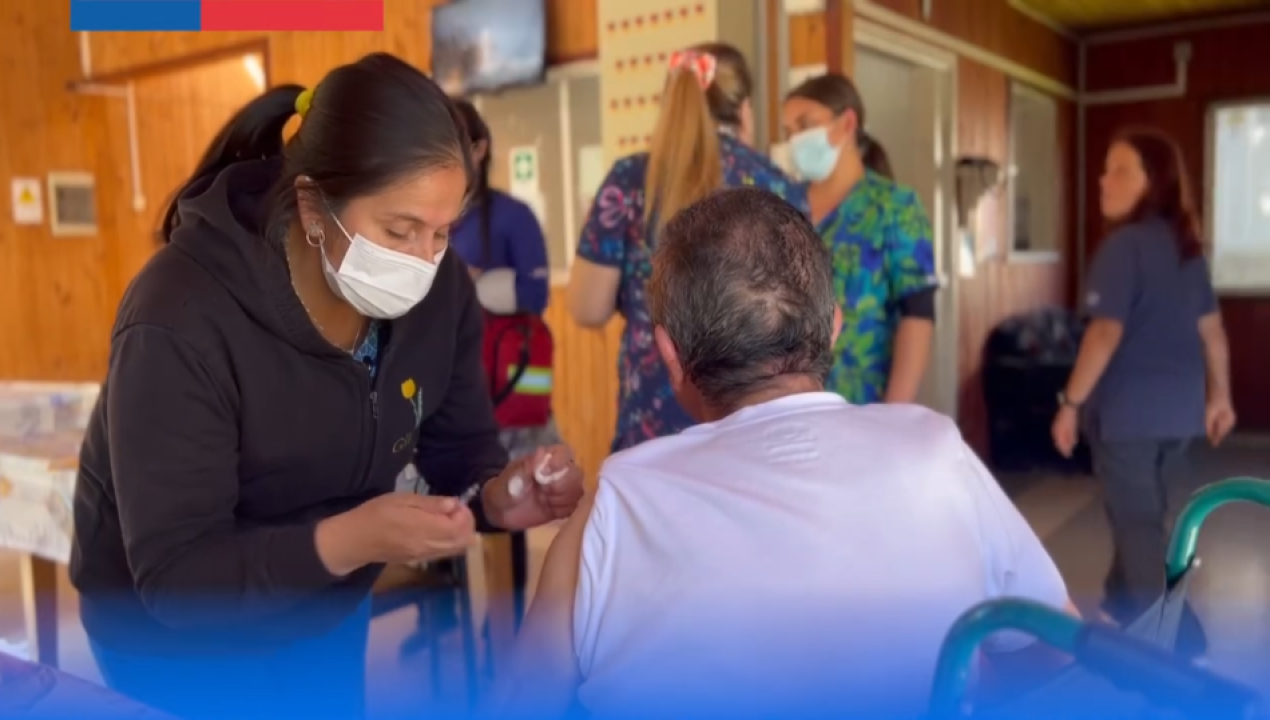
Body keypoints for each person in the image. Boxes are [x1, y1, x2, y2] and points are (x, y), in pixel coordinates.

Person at [69, 53, 584, 720]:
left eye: (443, 232)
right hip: (173, 642)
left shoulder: (442, 293)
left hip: (323, 605)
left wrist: (495, 495)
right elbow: (177, 577)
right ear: (313, 206)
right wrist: (352, 539)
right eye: (399, 230)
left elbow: (458, 449)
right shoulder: (180, 314)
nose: (424, 261)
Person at [487, 188, 1074, 719]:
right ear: (835, 328)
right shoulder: (936, 452)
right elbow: (1057, 651)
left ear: (670, 356)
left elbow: (521, 701)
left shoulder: (615, 504)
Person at [567, 42, 807, 452]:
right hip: (755, 421)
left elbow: (587, 307)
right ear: (744, 109)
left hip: (653, 422)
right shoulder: (777, 185)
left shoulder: (630, 180)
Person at [1052, 128, 1235, 655]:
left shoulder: (1122, 247)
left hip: (1128, 418)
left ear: (1153, 182)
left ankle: (1178, 645)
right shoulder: (1185, 249)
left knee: (1137, 526)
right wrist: (1220, 397)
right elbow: (1212, 331)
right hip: (1179, 416)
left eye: (1119, 171)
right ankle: (1118, 607)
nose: (1103, 180)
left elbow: (1103, 334)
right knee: (1148, 519)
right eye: (1104, 169)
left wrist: (1069, 404)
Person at [782, 73, 937, 405]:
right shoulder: (782, 206)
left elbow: (918, 313)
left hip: (866, 401)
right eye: (789, 132)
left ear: (847, 123)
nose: (795, 140)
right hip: (789, 405)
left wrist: (894, 413)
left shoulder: (895, 208)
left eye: (805, 125)